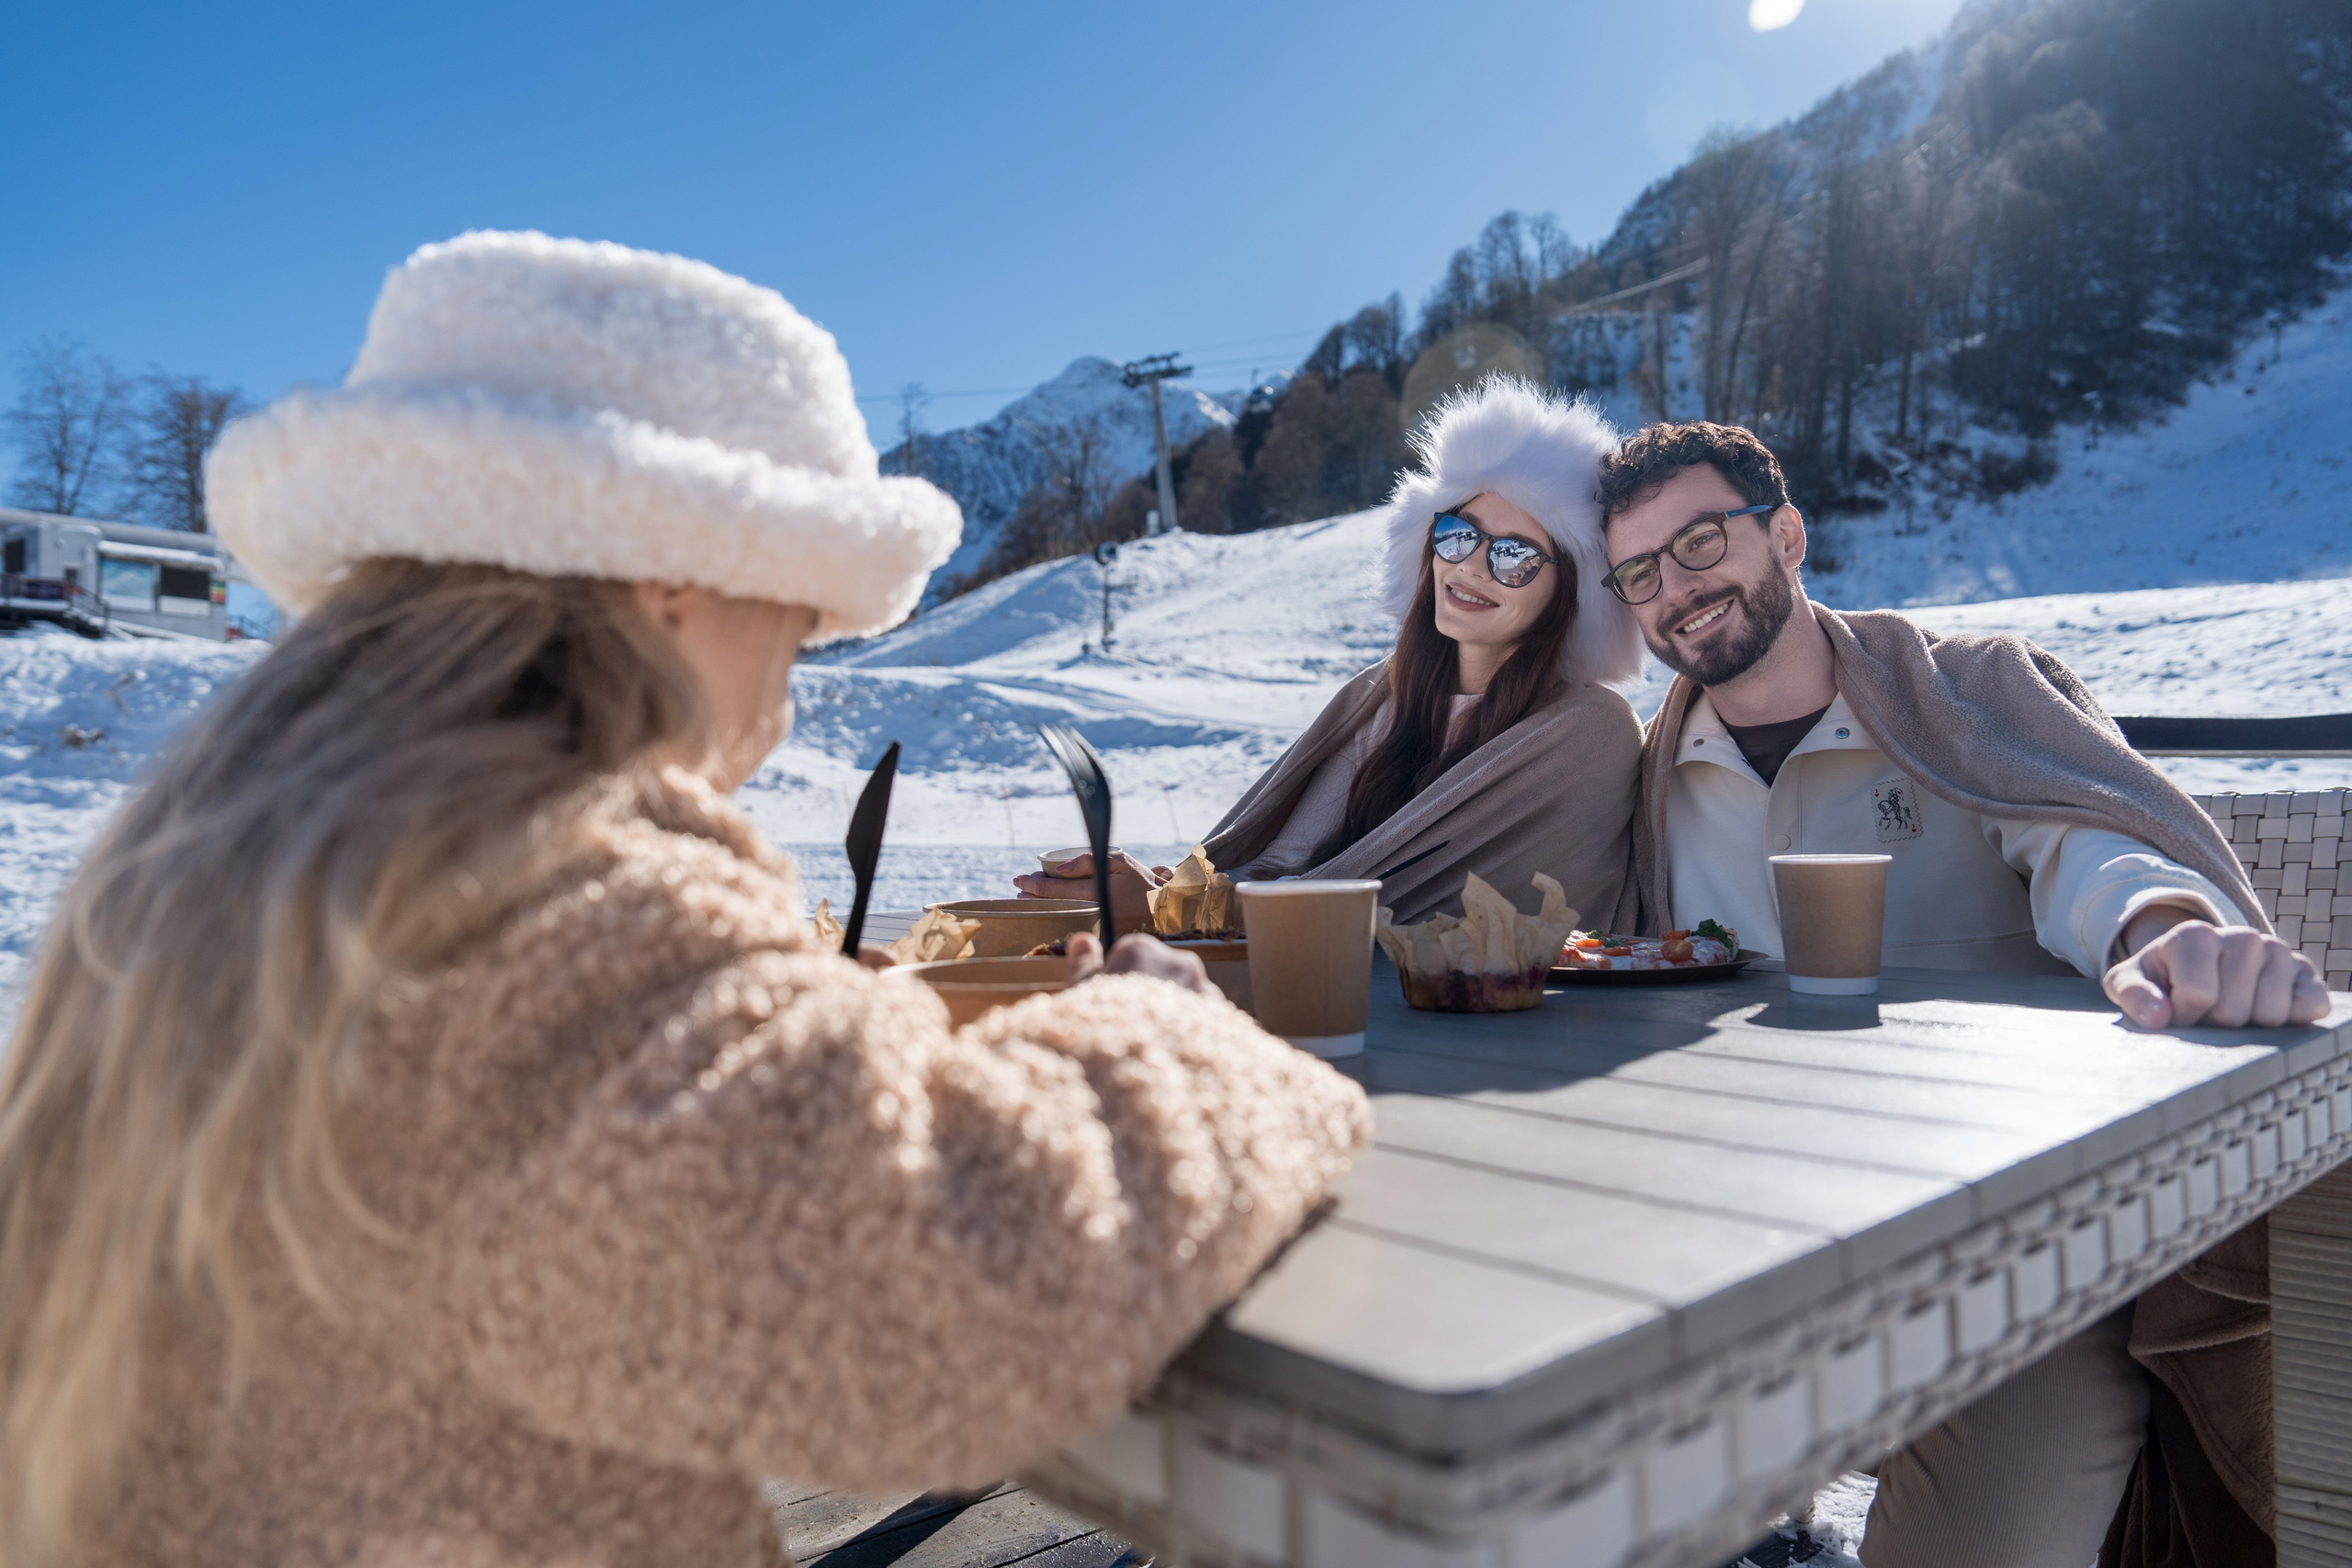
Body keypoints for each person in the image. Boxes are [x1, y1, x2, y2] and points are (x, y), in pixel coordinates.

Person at [0, 231, 1370, 1568]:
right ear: (672, 583)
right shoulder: (543, 894)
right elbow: (956, 1293)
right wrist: (1169, 1029)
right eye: (792, 630)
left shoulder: (234, 864)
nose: (779, 711)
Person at [1597, 419, 2326, 1568]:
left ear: (1785, 534)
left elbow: (2086, 845)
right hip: (1747, 1252)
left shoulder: (1960, 698)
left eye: (1699, 543)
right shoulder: (1641, 783)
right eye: (1639, 571)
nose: (1675, 589)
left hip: (2014, 1266)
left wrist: (2168, 931)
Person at [1018, 378, 1647, 929]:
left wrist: (1173, 908)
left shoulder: (1591, 729)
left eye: (1515, 554)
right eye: (1460, 535)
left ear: (1567, 593)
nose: (1474, 567)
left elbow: (1412, 911)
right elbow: (1275, 866)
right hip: (1303, 1003)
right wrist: (1149, 889)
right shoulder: (1377, 696)